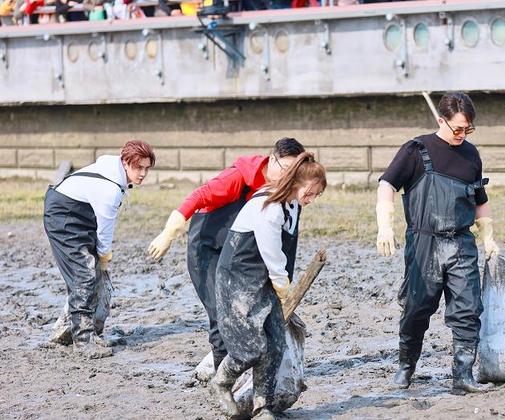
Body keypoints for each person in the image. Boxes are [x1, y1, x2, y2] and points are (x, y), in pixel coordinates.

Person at [375, 92, 498, 394]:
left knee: (468, 309)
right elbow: (387, 184)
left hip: (461, 243)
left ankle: (463, 375)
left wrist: (489, 237)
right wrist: (385, 226)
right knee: (417, 308)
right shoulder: (417, 150)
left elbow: (480, 200)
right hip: (423, 243)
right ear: (440, 120)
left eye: (467, 129)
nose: (462, 135)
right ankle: (406, 367)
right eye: (457, 128)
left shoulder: (471, 155)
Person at [148, 138, 305, 371]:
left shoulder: (289, 195)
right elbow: (199, 196)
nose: (287, 178)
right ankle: (223, 372)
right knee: (222, 314)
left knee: (252, 312)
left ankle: (247, 368)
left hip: (241, 255)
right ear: (272, 159)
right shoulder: (240, 177)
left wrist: (283, 286)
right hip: (208, 248)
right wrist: (169, 232)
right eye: (284, 170)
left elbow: (284, 242)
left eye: (293, 173)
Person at [210, 152, 326, 418]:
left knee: (275, 343)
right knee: (249, 348)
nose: (312, 200)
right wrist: (283, 286)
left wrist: (279, 285)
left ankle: (262, 406)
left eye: (317, 195)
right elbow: (271, 253)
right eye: (310, 192)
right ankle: (222, 381)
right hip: (238, 281)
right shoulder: (270, 207)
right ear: (295, 182)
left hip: (266, 282)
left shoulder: (292, 206)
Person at [44, 140, 155, 359]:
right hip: (62, 216)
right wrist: (104, 258)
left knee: (90, 272)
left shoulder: (115, 174)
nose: (142, 174)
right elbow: (105, 232)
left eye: (146, 169)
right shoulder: (110, 188)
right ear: (125, 163)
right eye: (138, 167)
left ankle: (68, 329)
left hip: (79, 213)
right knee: (84, 274)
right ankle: (83, 339)